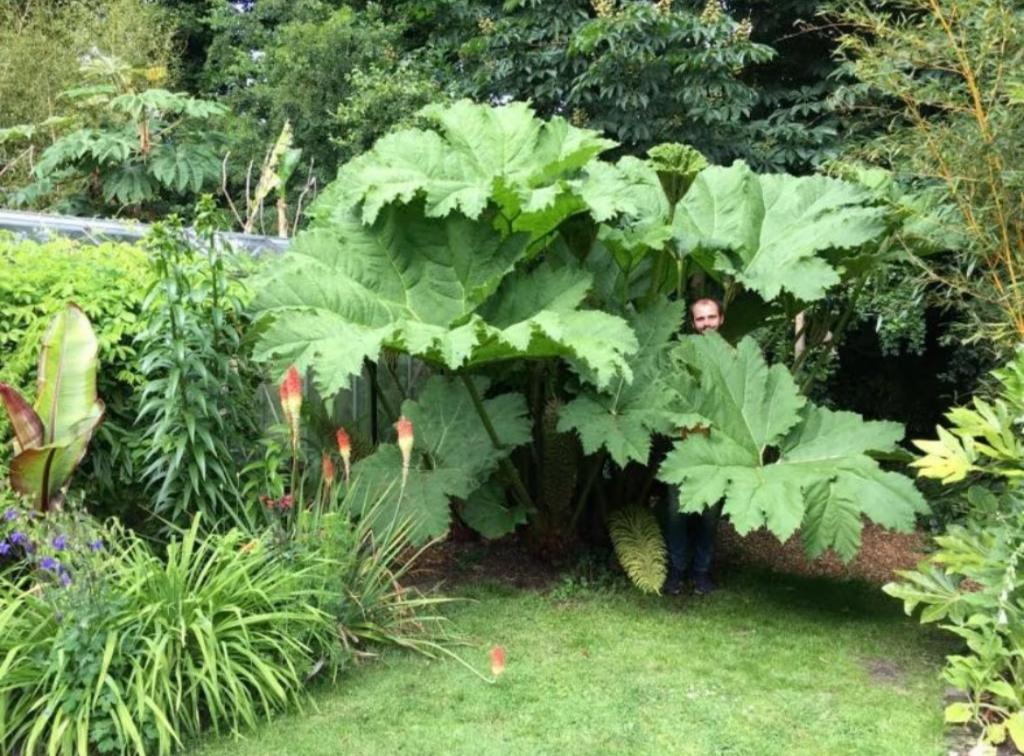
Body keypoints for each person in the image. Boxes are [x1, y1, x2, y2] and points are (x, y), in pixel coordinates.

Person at [663, 297, 724, 596]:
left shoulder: (734, 358)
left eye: (711, 317)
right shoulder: (680, 354)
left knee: (709, 516)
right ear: (693, 323)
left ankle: (701, 572)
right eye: (700, 319)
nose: (707, 324)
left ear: (721, 319)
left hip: (716, 453)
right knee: (676, 514)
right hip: (683, 449)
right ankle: (676, 570)